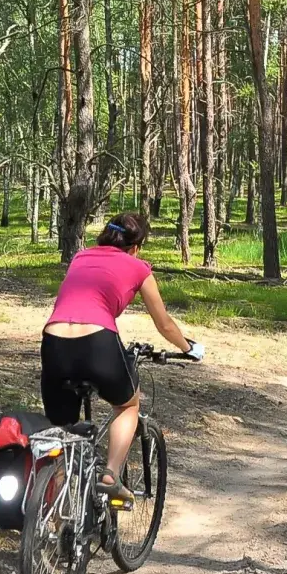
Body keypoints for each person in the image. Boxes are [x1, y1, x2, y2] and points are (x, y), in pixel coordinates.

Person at [41, 212, 203, 504]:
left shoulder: (80, 257)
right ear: (136, 246)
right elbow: (164, 323)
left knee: (61, 434)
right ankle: (110, 476)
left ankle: (54, 524)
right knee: (128, 404)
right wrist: (189, 347)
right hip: (96, 341)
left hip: (53, 341)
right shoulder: (138, 267)